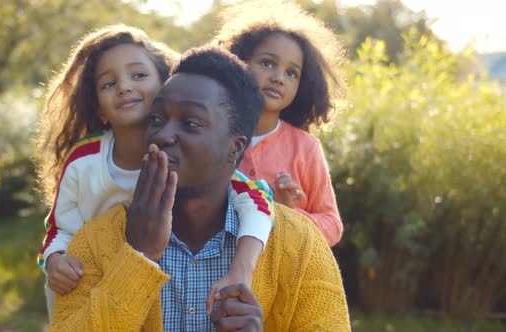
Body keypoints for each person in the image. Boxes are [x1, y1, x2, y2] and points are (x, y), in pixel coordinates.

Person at [49, 45, 350, 331]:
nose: (164, 135)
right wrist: (138, 257)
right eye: (156, 119)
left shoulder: (300, 245)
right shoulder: (95, 241)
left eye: (191, 123)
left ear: (235, 148)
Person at [34, 24, 275, 319]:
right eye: (108, 83)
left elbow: (255, 196)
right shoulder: (84, 162)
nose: (124, 86)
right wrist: (55, 261)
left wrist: (242, 266)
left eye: (138, 75)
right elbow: (58, 228)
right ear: (99, 108)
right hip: (83, 282)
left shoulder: (191, 164)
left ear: (165, 83)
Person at [213, 0, 346, 246]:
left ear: (302, 84)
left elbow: (332, 225)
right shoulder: (212, 135)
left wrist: (286, 214)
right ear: (239, 61)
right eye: (267, 63)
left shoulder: (306, 149)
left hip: (284, 280)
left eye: (291, 72)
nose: (278, 78)